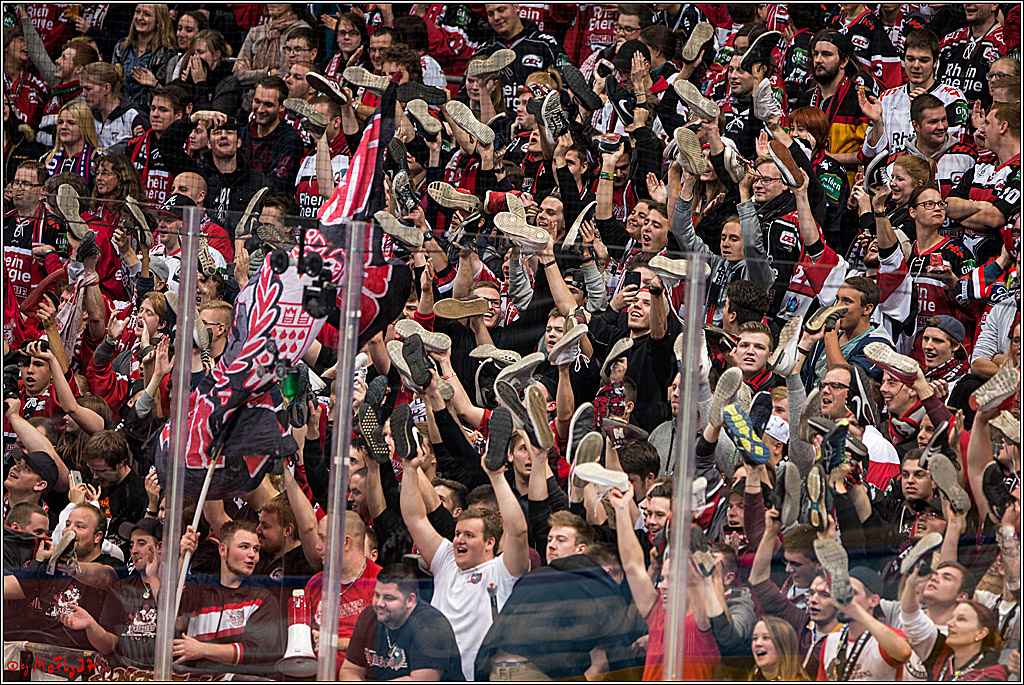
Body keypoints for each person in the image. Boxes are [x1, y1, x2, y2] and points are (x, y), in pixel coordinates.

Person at [175, 519, 283, 676]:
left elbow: (256, 652)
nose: (252, 555)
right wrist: (182, 557)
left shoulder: (262, 599)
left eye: (256, 549)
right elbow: (168, 601)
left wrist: (202, 649)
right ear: (223, 550)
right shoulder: (201, 586)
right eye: (244, 547)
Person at [340, 563, 464, 681]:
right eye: (377, 595)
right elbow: (350, 669)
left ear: (410, 600)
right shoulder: (369, 616)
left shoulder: (431, 627)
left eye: (389, 598)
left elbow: (419, 681)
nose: (379, 604)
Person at [239, 76, 304, 192]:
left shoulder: (291, 140)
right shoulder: (241, 133)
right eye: (257, 101)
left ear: (281, 106)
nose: (260, 109)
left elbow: (276, 186)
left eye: (268, 105)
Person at [111, 4, 178, 111]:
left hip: (147, 115)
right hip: (119, 113)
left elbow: (171, 96)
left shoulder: (166, 53)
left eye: (147, 14)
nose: (140, 18)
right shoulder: (122, 47)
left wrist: (154, 84)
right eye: (137, 12)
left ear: (158, 21)